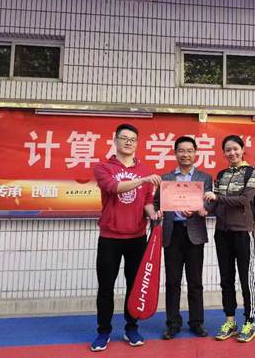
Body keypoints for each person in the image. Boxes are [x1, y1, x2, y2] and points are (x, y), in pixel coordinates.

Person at [90, 123, 161, 352]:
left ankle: (131, 327)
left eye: (133, 139)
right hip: (110, 237)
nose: (129, 142)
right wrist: (143, 180)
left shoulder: (144, 169)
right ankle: (103, 331)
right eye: (124, 138)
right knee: (106, 287)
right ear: (115, 140)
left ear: (137, 143)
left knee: (135, 286)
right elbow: (114, 188)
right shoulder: (103, 167)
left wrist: (153, 214)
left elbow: (147, 201)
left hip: (137, 237)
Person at [154, 136, 212, 340]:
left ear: (195, 153)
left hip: (194, 232)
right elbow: (156, 203)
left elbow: (210, 202)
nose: (185, 154)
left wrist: (203, 209)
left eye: (189, 150)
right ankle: (173, 323)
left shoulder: (205, 177)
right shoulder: (166, 178)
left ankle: (197, 322)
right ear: (175, 153)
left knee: (195, 281)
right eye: (181, 150)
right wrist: (157, 212)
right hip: (173, 232)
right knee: (172, 281)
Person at [204, 135, 255, 343]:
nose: (232, 153)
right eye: (228, 150)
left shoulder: (251, 172)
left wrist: (217, 198)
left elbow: (245, 199)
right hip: (222, 232)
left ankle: (249, 322)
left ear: (242, 149)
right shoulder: (221, 174)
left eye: (235, 149)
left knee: (246, 278)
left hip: (243, 232)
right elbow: (215, 203)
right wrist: (203, 209)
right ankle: (230, 321)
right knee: (226, 278)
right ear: (224, 153)